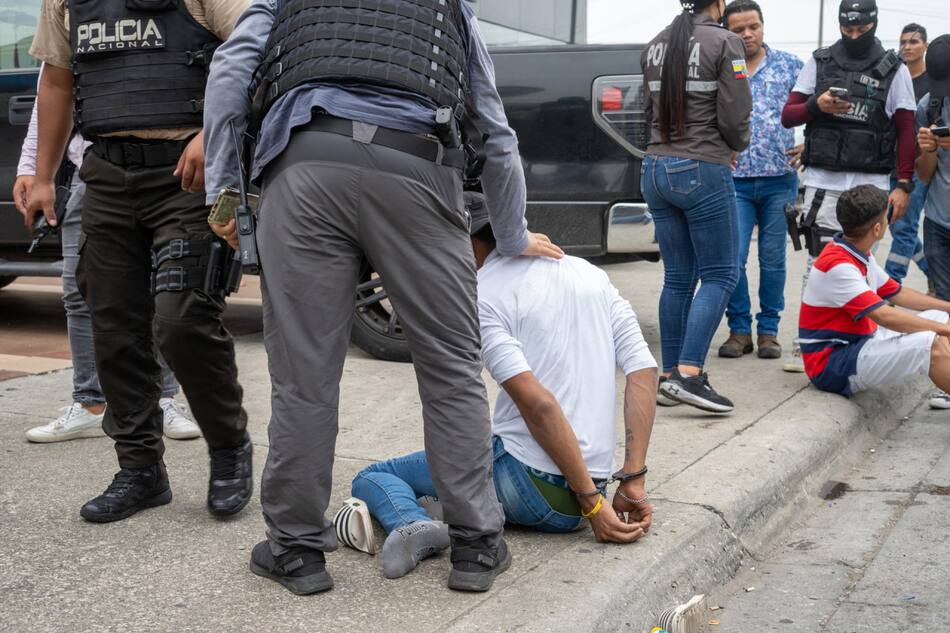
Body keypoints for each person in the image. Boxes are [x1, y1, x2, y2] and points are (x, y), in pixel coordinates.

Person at [202, 0, 564, 595]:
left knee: (305, 376)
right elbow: (495, 129)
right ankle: (475, 547)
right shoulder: (449, 8)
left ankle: (296, 552)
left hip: (303, 167)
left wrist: (224, 191)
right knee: (450, 368)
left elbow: (229, 76)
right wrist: (512, 230)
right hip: (418, 168)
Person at [342, 195, 657, 579]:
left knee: (375, 476)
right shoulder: (588, 273)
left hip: (533, 486)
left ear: (465, 240)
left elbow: (538, 405)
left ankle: (411, 521)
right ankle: (441, 506)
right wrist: (632, 479)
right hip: (588, 491)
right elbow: (642, 371)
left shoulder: (482, 294)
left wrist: (593, 506)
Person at [24, 0, 253, 523]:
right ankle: (140, 469)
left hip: (187, 177)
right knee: (113, 327)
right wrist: (42, 177)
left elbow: (258, 56)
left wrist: (210, 131)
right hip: (106, 174)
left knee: (182, 317)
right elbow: (57, 83)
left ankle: (228, 450)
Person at [14, 65, 200, 444]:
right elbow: (50, 93)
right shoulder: (74, 11)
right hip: (91, 174)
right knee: (78, 291)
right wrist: (32, 168)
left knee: (159, 287)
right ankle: (89, 402)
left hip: (164, 170)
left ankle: (162, 399)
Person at [780, 0, 918, 373]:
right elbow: (788, 115)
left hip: (872, 181)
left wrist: (903, 184)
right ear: (840, 24)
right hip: (824, 181)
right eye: (847, 28)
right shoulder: (820, 61)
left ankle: (862, 336)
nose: (854, 35)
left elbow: (906, 129)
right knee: (819, 262)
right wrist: (816, 105)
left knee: (864, 264)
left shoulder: (894, 69)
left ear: (874, 23)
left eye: (861, 29)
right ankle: (806, 344)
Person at [640, 0, 752, 413]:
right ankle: (689, 374)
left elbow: (646, 111)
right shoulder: (726, 42)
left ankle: (670, 376)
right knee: (722, 274)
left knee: (678, 278)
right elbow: (736, 112)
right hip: (701, 167)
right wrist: (734, 146)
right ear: (719, 3)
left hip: (653, 167)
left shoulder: (654, 44)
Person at [799, 185, 950, 400]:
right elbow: (884, 315)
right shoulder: (838, 265)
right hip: (833, 364)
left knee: (940, 316)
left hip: (859, 344)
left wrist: (947, 309)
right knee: (929, 343)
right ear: (877, 229)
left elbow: (897, 293)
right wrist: (943, 330)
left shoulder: (856, 251)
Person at [718, 0, 803, 361]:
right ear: (728, 33)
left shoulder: (790, 66)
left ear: (763, 26)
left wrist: (810, 144)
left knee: (773, 259)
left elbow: (820, 107)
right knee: (732, 259)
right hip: (733, 181)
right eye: (738, 29)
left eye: (753, 26)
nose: (747, 34)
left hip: (779, 179)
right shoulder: (722, 67)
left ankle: (768, 331)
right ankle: (739, 330)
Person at [883, 24, 932, 284]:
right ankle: (935, 274)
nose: (907, 47)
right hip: (890, 162)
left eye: (914, 42)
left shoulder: (934, 82)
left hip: (920, 165)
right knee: (897, 225)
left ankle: (890, 286)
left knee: (904, 227)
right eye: (903, 42)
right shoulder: (894, 78)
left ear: (925, 45)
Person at [917, 34, 950, 408]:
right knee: (943, 300)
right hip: (939, 218)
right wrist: (927, 149)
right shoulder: (931, 103)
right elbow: (925, 174)